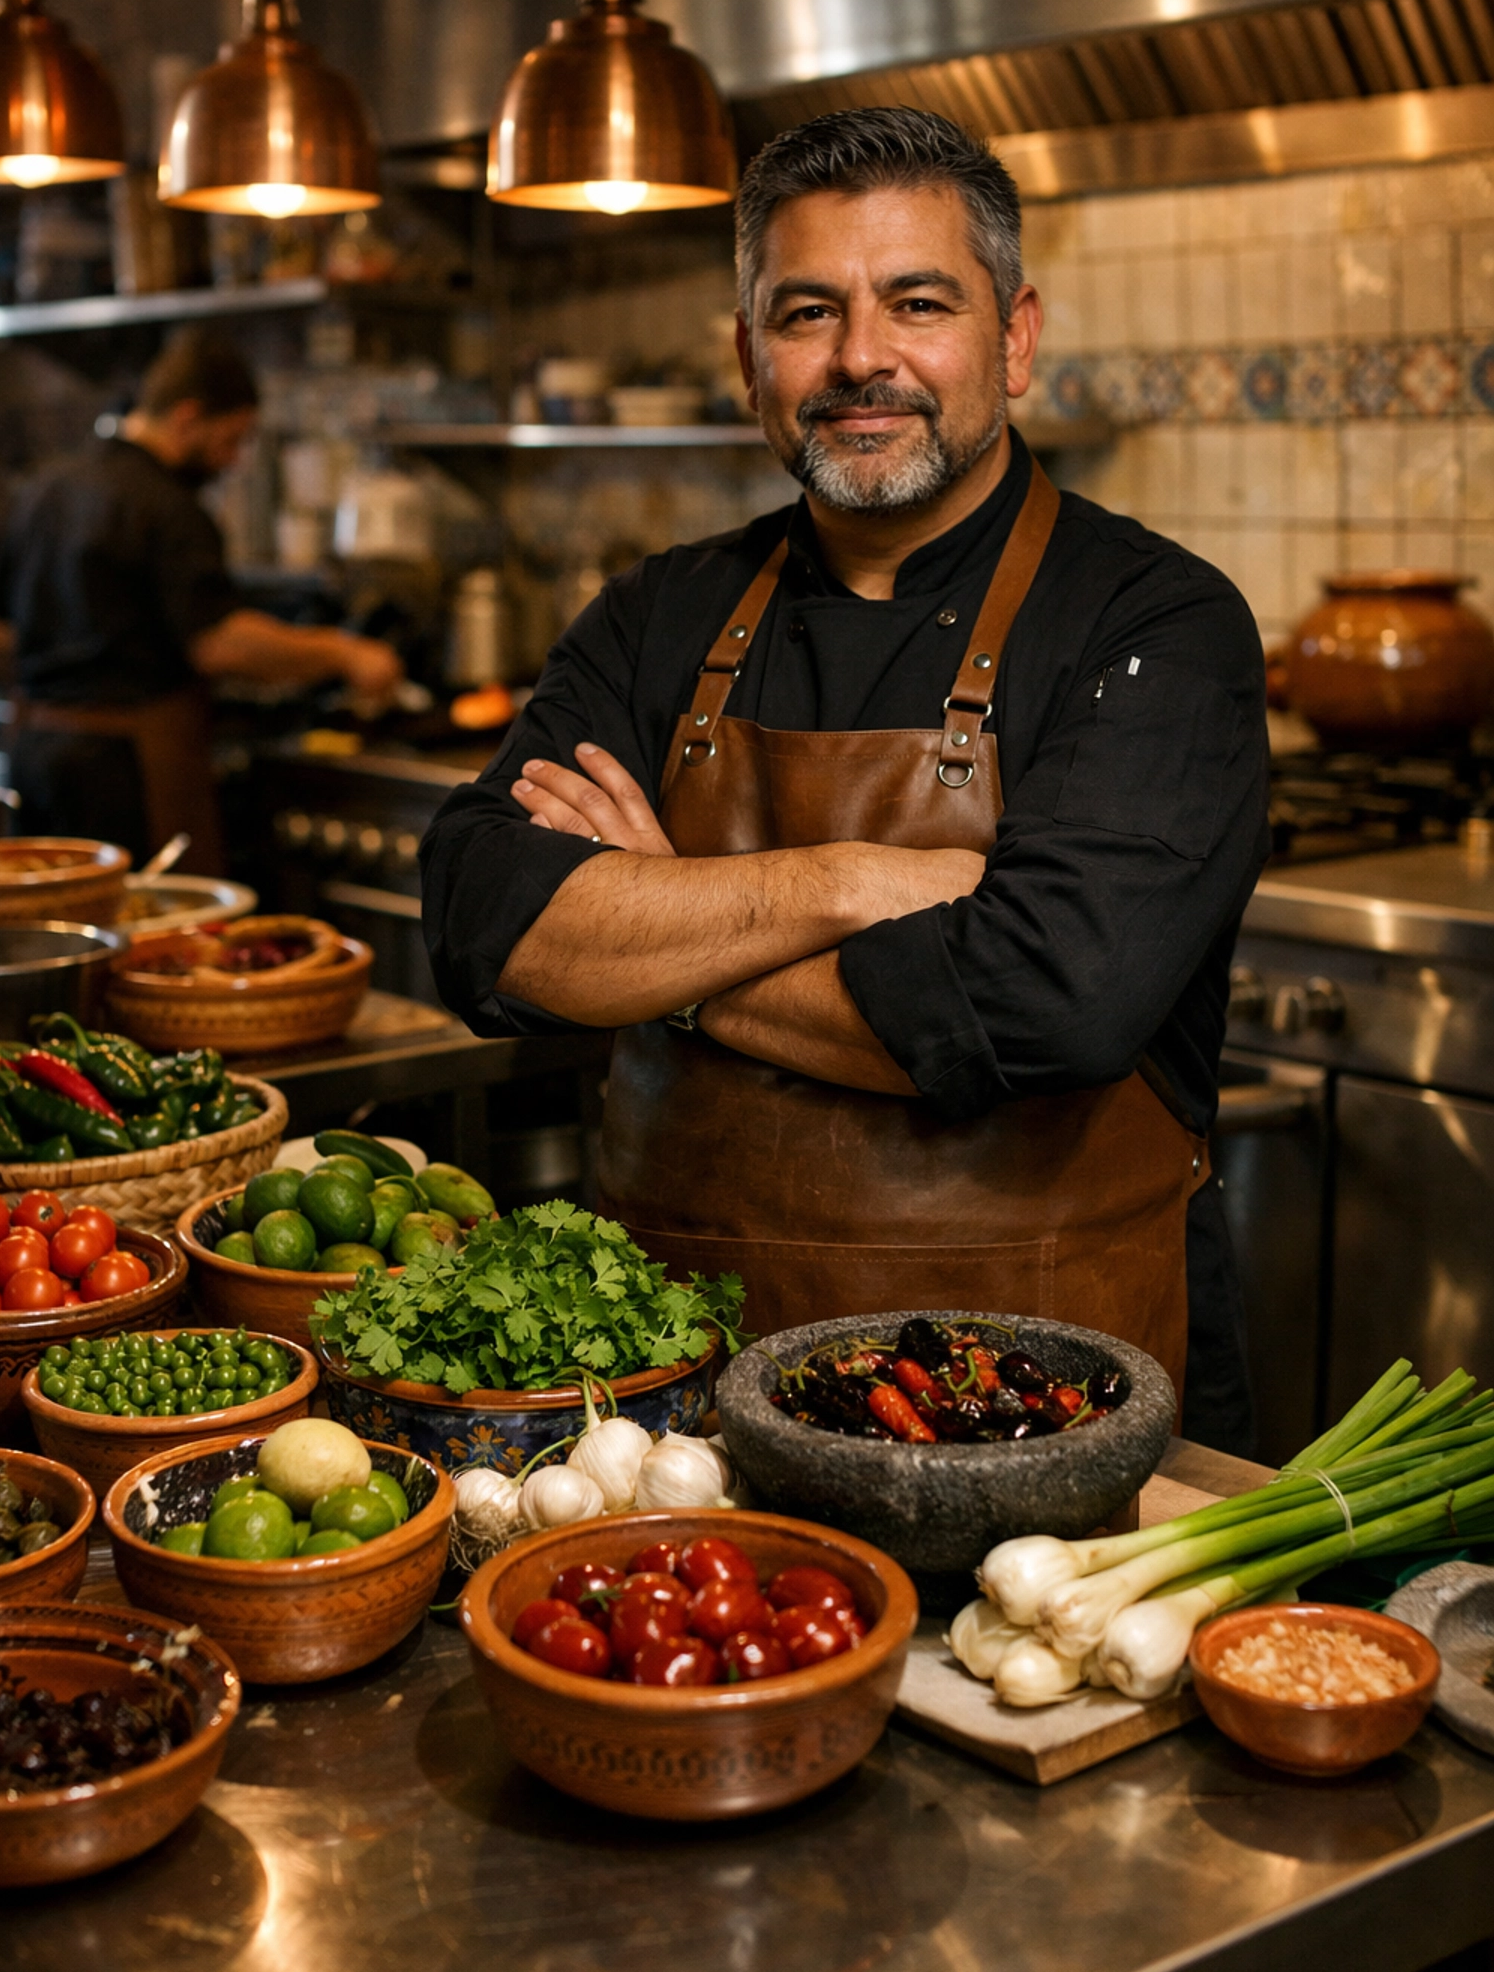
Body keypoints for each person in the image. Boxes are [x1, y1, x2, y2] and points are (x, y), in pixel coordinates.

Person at [421, 109, 1269, 1451]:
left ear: (1017, 336)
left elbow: (1040, 1004)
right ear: (748, 355)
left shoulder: (1152, 623)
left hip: (1039, 1420)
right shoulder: (660, 612)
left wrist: (662, 926)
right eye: (807, 311)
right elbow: (483, 919)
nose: (861, 357)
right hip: (670, 1411)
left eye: (917, 302)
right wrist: (851, 883)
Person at [0, 326, 401, 869]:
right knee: (154, 932)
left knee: (60, 928)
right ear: (187, 417)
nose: (234, 460)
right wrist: (345, 653)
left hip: (34, 756)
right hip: (128, 775)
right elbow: (220, 644)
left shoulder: (44, 489)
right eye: (232, 439)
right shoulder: (170, 507)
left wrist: (63, 697)